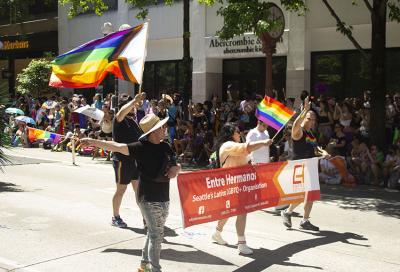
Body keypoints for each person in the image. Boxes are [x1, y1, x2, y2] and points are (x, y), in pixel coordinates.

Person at [81, 113, 181, 272]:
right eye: (162, 127)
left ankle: (143, 265)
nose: (165, 129)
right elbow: (117, 146)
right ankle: (155, 269)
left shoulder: (166, 146)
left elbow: (175, 164)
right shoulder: (140, 147)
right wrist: (93, 141)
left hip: (164, 197)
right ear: (154, 131)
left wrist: (176, 169)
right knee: (157, 235)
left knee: (154, 233)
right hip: (147, 198)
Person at [211, 123, 273, 255]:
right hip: (233, 184)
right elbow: (246, 148)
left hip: (237, 184)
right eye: (237, 131)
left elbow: (242, 160)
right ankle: (241, 243)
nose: (240, 133)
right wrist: (263, 142)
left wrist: (251, 164)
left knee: (229, 211)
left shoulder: (230, 145)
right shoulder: (228, 145)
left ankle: (217, 233)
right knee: (241, 212)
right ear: (230, 133)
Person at [281, 96, 329, 231]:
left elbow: (316, 148)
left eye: (314, 119)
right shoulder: (298, 132)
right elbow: (296, 124)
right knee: (303, 194)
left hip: (311, 166)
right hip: (299, 167)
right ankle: (288, 212)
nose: (312, 121)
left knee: (310, 194)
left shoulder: (311, 134)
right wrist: (304, 111)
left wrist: (323, 153)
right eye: (309, 118)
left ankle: (304, 220)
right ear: (304, 118)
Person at [110, 93, 143, 228]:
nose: (134, 106)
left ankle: (146, 218)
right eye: (131, 104)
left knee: (139, 190)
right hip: (122, 161)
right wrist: (133, 101)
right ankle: (115, 217)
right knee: (121, 189)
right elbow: (121, 113)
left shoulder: (133, 122)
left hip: (135, 160)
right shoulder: (119, 119)